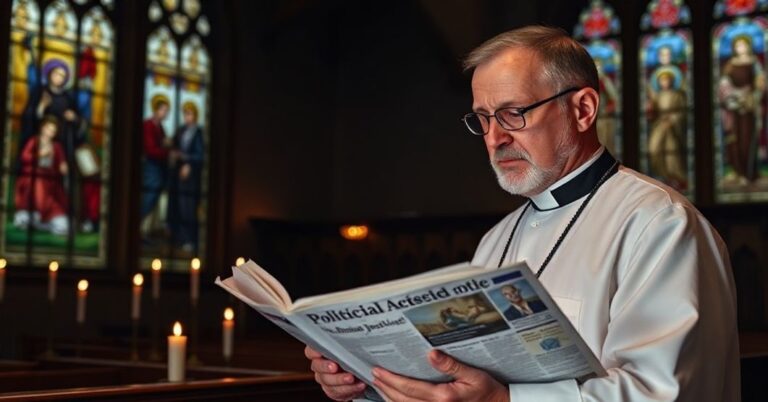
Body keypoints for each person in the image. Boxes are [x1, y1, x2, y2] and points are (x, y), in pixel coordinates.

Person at [305, 26, 739, 402]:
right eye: (483, 119)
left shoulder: (659, 224)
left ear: (583, 109)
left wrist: (504, 399)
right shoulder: (497, 238)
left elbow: (663, 392)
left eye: (513, 114)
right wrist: (367, 384)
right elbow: (457, 383)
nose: (495, 138)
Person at [718, 35, 765, 185]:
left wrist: (753, 96)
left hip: (749, 107)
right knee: (734, 140)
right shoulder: (730, 65)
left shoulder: (754, 63)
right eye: (738, 46)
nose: (741, 48)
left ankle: (751, 173)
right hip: (734, 108)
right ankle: (738, 172)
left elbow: (760, 83)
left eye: (744, 45)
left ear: (749, 47)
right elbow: (723, 84)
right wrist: (733, 97)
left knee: (748, 140)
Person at [13, 115, 69, 235]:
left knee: (59, 216)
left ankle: (47, 220)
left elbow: (61, 162)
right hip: (33, 176)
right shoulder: (34, 141)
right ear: (43, 128)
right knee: (36, 184)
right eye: (48, 129)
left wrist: (63, 167)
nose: (50, 133)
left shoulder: (56, 146)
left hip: (51, 180)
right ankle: (35, 215)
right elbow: (24, 157)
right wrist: (40, 154)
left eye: (53, 131)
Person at [168, 101, 204, 253]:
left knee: (188, 208)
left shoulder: (198, 132)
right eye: (185, 114)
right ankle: (179, 238)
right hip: (177, 175)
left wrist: (188, 162)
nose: (187, 117)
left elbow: (200, 155)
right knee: (178, 207)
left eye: (190, 114)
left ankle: (190, 240)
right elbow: (174, 146)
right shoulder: (181, 130)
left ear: (195, 115)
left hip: (191, 177)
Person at [647, 68, 688, 189]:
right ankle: (662, 175)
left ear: (672, 81)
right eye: (662, 80)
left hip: (672, 128)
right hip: (659, 126)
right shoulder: (657, 96)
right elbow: (653, 113)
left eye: (667, 80)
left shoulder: (677, 95)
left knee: (672, 151)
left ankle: (675, 177)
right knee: (654, 149)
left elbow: (681, 112)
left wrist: (672, 120)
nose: (665, 82)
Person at [141, 94, 172, 222]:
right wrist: (168, 153)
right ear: (156, 109)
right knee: (150, 196)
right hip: (151, 166)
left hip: (158, 167)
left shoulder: (160, 127)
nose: (166, 113)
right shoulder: (148, 125)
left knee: (153, 196)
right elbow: (150, 149)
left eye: (167, 111)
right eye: (164, 110)